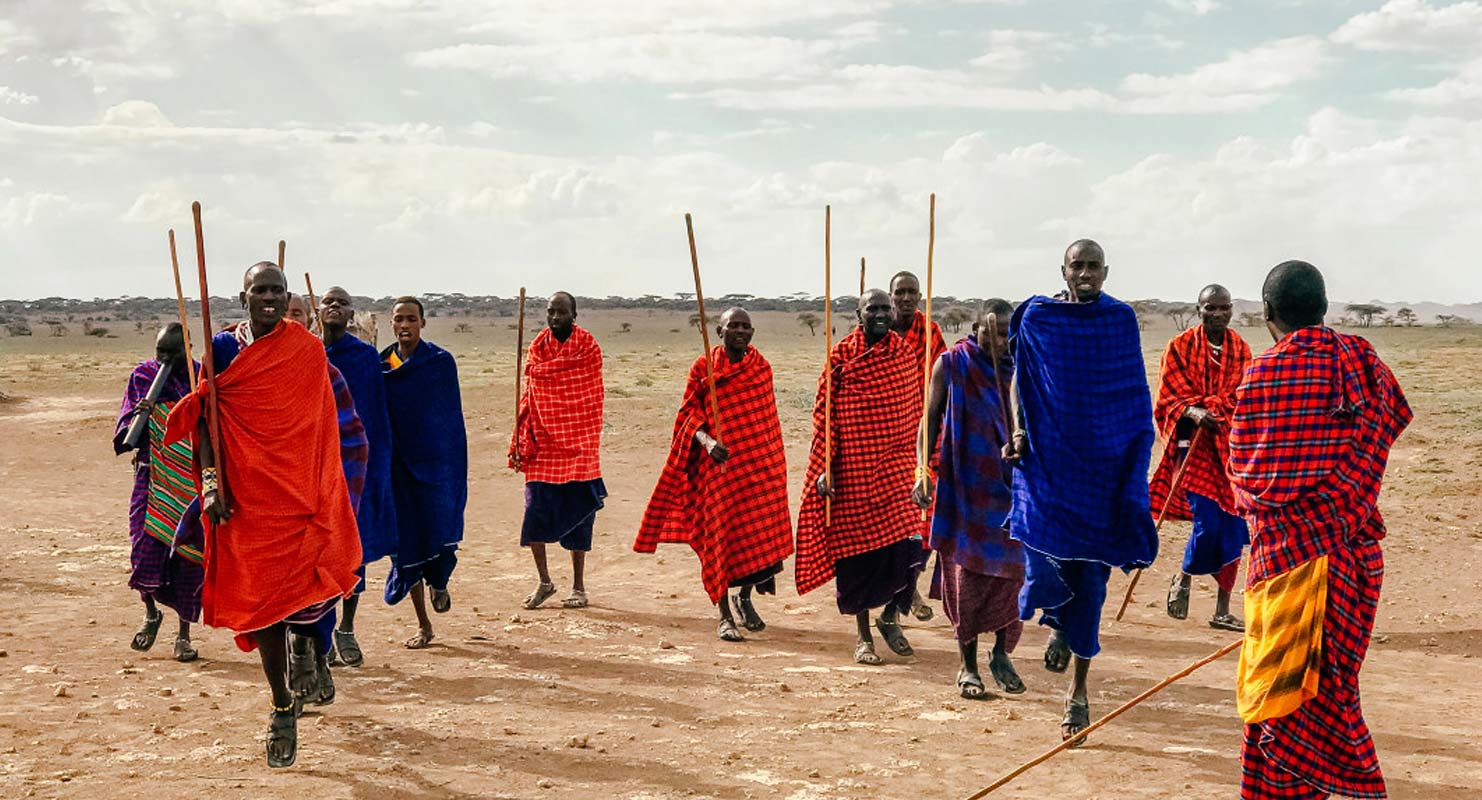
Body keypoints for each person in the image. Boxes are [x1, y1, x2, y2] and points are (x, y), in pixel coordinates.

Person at [163, 262, 362, 767]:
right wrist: (210, 487)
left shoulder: (307, 349)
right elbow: (205, 424)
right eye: (260, 290)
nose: (269, 298)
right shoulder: (222, 351)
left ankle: (310, 651)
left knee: (308, 597)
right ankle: (280, 705)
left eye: (277, 290)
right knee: (263, 607)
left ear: (287, 295)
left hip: (298, 494)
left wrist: (324, 487)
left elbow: (322, 426)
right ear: (243, 296)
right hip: (246, 501)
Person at [1231, 261, 1410, 800]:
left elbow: (1246, 476)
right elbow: (1394, 417)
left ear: (1265, 313)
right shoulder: (1364, 362)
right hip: (1354, 561)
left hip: (1283, 563)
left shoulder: (1262, 375)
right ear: (1325, 308)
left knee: (1280, 698)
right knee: (1332, 691)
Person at [1003, 239, 1158, 743]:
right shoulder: (1039, 318)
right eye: (1078, 265)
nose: (1086, 273)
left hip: (1100, 474)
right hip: (1046, 466)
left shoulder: (1119, 321)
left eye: (1094, 266)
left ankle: (1079, 693)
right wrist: (1019, 431)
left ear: (1106, 271)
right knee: (1042, 563)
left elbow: (1131, 393)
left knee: (1090, 583)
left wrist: (1132, 455)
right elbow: (1019, 380)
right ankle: (1058, 626)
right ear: (1063, 270)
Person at [635, 308, 794, 641]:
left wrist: (772, 466)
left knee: (756, 539)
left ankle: (744, 597)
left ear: (752, 332)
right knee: (719, 538)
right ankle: (724, 615)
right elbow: (687, 415)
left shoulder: (761, 368)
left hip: (757, 468)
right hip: (718, 469)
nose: (739, 331)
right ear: (718, 332)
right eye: (731, 326)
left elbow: (766, 422)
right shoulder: (703, 368)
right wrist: (707, 441)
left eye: (745, 326)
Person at [795, 290, 924, 665]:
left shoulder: (903, 354)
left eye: (886, 307)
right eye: (874, 308)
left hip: (897, 466)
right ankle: (863, 637)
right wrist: (825, 466)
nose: (882, 313)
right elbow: (824, 415)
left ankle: (891, 617)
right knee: (857, 557)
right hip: (852, 469)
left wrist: (920, 467)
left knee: (908, 547)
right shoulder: (840, 357)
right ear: (859, 314)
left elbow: (914, 412)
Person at [914, 301, 1026, 699]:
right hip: (964, 489)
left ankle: (1001, 653)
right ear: (974, 328)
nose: (999, 342)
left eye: (1005, 334)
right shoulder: (952, 365)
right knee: (968, 582)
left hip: (1014, 491)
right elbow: (929, 421)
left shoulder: (1024, 367)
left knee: (1014, 579)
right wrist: (921, 474)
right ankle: (968, 665)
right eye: (990, 332)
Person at [1148, 284, 1252, 631]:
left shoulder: (1241, 349)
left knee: (1235, 528)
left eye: (1224, 308)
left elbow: (1245, 398)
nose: (1218, 314)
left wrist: (1220, 410)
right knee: (1208, 522)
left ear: (1232, 310)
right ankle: (1184, 578)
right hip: (1192, 449)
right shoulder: (1178, 348)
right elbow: (1166, 401)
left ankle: (1222, 609)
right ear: (1199, 310)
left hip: (1230, 450)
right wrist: (1193, 412)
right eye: (1211, 308)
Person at [113, 323, 203, 662]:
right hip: (152, 478)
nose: (164, 358)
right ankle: (151, 612)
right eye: (159, 351)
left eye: (172, 352)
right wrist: (143, 417)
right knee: (144, 550)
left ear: (187, 349)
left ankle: (184, 636)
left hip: (190, 481)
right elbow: (126, 437)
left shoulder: (199, 377)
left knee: (188, 558)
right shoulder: (144, 377)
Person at [381, 296, 467, 649]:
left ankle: (440, 582)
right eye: (399, 319)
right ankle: (423, 625)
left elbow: (450, 419)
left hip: (435, 469)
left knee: (438, 535)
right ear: (392, 324)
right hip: (397, 470)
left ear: (422, 323)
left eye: (411, 319)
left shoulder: (439, 363)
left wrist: (449, 466)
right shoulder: (381, 367)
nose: (405, 325)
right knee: (405, 547)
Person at [510, 292, 606, 611]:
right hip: (544, 446)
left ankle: (579, 587)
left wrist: (579, 435)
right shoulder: (537, 347)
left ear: (574, 315)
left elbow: (590, 396)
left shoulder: (587, 346)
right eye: (551, 312)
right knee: (534, 513)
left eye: (561, 312)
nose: (555, 318)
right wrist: (522, 433)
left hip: (579, 445)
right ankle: (545, 582)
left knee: (580, 516)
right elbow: (531, 392)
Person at [320, 286, 398, 665]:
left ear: (351, 314)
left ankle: (346, 628)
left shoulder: (365, 357)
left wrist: (377, 466)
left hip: (355, 466)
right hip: (316, 466)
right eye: (328, 301)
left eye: (342, 303)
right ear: (318, 311)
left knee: (355, 546)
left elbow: (376, 414)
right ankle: (321, 631)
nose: (335, 306)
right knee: (318, 550)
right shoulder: (307, 352)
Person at [890, 270, 947, 622]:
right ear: (891, 295)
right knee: (893, 522)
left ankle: (909, 588)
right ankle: (898, 594)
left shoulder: (929, 331)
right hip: (883, 438)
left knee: (924, 517)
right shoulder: (874, 330)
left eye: (913, 292)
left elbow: (941, 378)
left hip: (925, 433)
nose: (907, 299)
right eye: (901, 292)